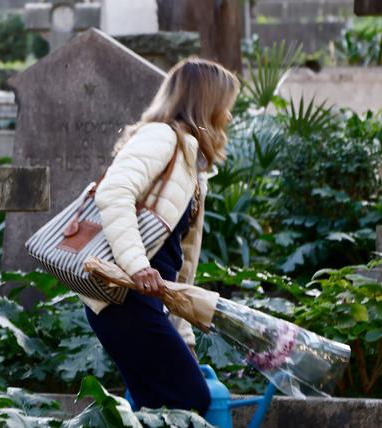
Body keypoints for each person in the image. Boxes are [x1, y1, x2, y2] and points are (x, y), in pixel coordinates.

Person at [83, 58, 239, 413]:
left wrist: (182, 335)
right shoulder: (162, 136)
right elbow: (114, 192)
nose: (228, 117)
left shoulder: (190, 161)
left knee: (154, 409)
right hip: (123, 296)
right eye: (225, 105)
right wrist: (137, 266)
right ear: (206, 103)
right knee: (190, 399)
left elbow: (177, 262)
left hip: (143, 299)